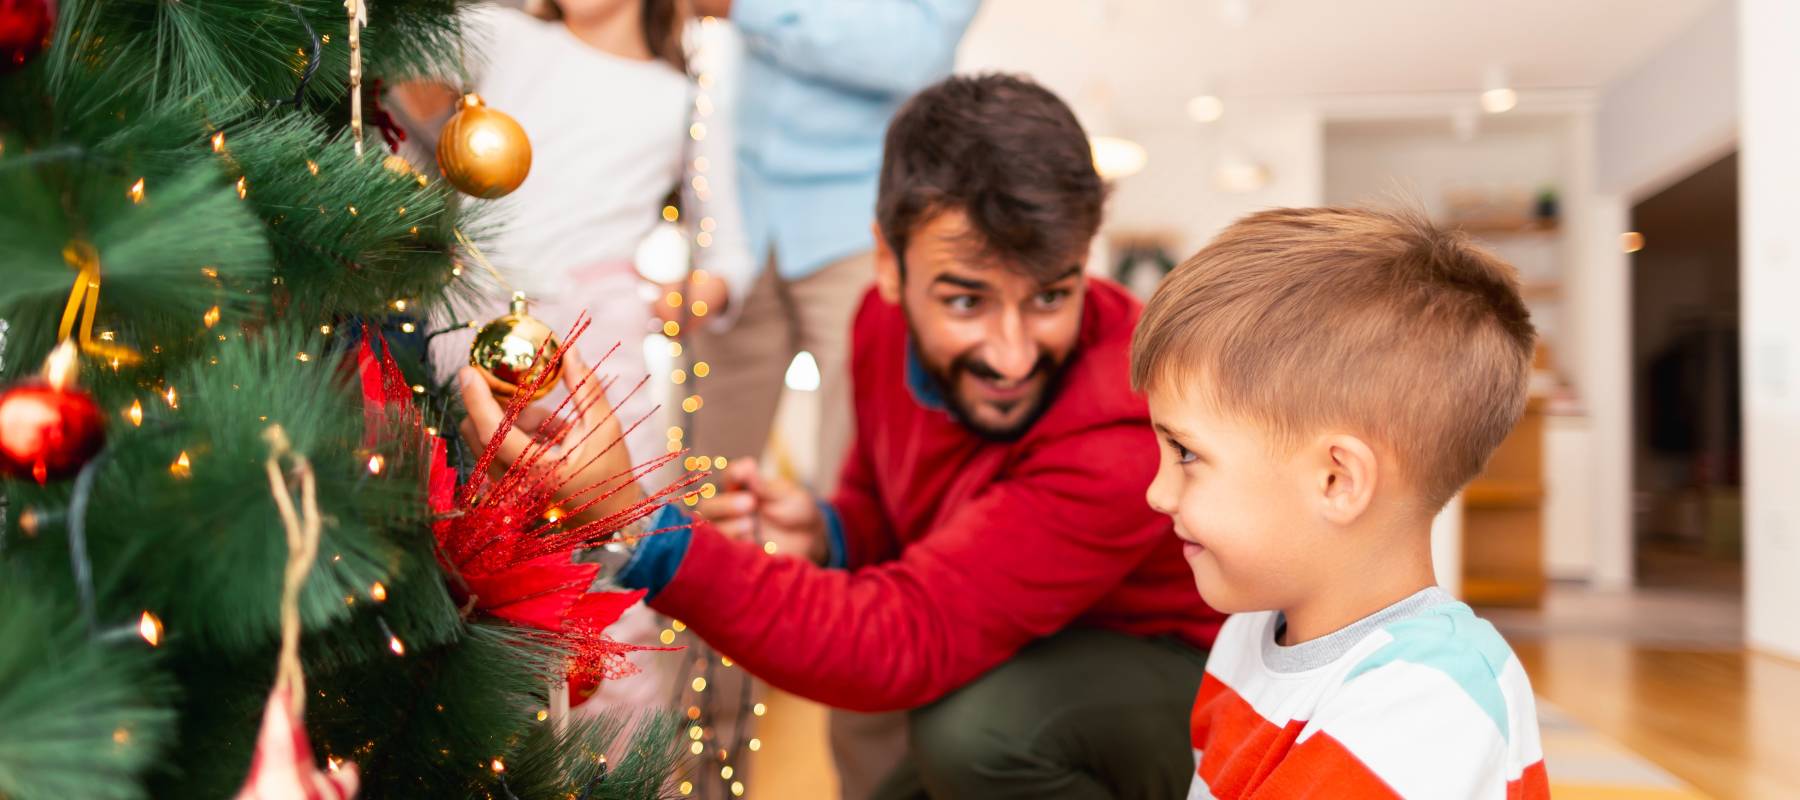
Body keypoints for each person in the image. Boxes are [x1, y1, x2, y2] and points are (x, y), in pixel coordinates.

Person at [461, 74, 1224, 799]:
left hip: (1178, 677)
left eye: (1052, 295)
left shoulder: (1119, 427)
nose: (1012, 352)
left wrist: (643, 527)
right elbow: (888, 495)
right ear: (887, 264)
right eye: (967, 302)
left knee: (977, 735)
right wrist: (831, 530)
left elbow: (906, 636)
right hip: (1032, 649)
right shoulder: (877, 324)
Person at [1129, 207, 1550, 797]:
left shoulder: (1431, 702)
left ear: (1336, 480)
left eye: (1186, 453)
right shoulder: (1250, 631)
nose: (1157, 492)